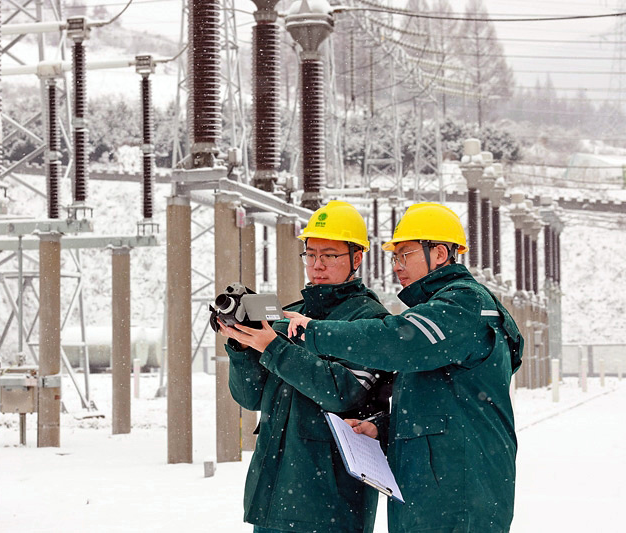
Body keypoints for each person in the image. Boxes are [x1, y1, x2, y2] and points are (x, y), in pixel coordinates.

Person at [284, 202, 524, 533]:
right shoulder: (440, 314)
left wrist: (314, 332)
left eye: (405, 254)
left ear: (439, 253)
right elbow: (439, 402)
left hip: (460, 493)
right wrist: (383, 427)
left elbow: (397, 340)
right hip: (432, 492)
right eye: (394, 257)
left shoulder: (463, 304)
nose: (397, 266)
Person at [218, 200, 394, 533]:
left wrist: (272, 346)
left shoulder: (369, 321)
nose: (317, 265)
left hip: (329, 502)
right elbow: (250, 397)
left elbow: (341, 392)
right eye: (311, 254)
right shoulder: (289, 314)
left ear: (357, 258)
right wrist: (243, 346)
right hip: (272, 495)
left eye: (329, 255)